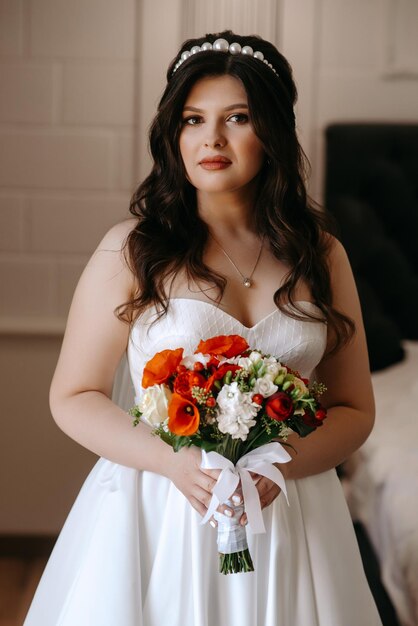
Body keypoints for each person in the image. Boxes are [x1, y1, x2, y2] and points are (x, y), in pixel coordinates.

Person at [24, 30, 382, 626]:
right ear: (173, 134)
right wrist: (172, 463)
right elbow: (72, 395)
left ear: (271, 131)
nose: (211, 138)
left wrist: (282, 461)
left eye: (237, 118)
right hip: (160, 508)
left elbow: (355, 409)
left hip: (287, 510)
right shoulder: (132, 251)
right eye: (193, 119)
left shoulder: (322, 254)